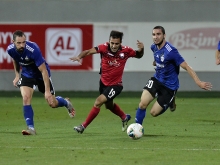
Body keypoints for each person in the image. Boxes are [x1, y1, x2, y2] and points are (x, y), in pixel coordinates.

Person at [134, 26, 212, 126]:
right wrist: (156, 63)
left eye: (158, 34)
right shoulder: (153, 47)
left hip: (169, 86)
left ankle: (171, 100)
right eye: (154, 34)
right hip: (157, 79)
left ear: (164, 36)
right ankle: (137, 127)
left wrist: (198, 82)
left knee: (153, 113)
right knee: (142, 104)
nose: (155, 37)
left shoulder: (171, 51)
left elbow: (187, 66)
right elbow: (158, 58)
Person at [70, 30, 144, 134]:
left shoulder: (126, 51)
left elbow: (139, 55)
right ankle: (124, 117)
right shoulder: (103, 48)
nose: (114, 46)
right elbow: (88, 51)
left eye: (116, 44)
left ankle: (83, 126)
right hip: (103, 83)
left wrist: (142, 49)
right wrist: (79, 56)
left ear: (120, 43)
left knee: (98, 102)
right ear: (109, 41)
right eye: (112, 43)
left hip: (116, 85)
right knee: (109, 106)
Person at [7, 30, 76, 135]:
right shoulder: (10, 50)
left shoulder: (33, 49)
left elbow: (43, 71)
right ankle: (31, 128)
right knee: (26, 98)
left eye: (23, 42)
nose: (22, 45)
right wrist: (17, 75)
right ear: (13, 42)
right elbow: (15, 59)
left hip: (41, 75)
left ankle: (65, 102)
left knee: (52, 103)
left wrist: (47, 91)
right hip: (27, 75)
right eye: (19, 43)